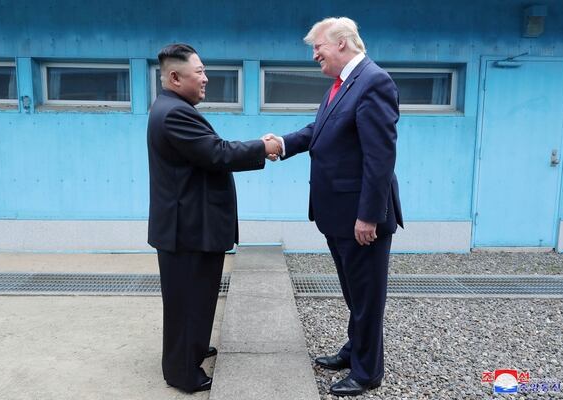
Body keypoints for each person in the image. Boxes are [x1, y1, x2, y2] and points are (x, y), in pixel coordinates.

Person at [266, 17, 403, 396]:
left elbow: (380, 157)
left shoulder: (374, 82)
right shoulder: (341, 86)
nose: (315, 55)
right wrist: (282, 143)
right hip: (337, 214)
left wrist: (369, 215)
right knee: (353, 293)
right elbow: (318, 131)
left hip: (360, 218)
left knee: (367, 297)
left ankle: (367, 372)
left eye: (318, 47)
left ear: (342, 43)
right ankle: (354, 349)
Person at [147, 43, 281, 393]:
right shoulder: (175, 113)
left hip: (189, 225)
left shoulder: (171, 107)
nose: (206, 78)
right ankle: (182, 373)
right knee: (188, 301)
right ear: (175, 78)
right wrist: (262, 147)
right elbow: (216, 153)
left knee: (195, 297)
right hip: (188, 228)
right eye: (199, 73)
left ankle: (192, 348)